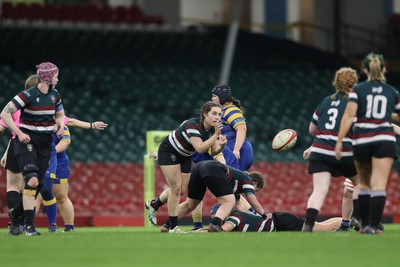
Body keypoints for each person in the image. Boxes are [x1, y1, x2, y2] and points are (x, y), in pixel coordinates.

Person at [335, 52, 400, 234]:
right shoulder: (392, 91)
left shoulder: (358, 90)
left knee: (363, 184)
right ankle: (373, 226)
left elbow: (349, 116)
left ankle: (363, 226)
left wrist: (339, 141)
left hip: (363, 139)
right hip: (384, 140)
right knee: (379, 185)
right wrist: (385, 113)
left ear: (364, 69)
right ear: (385, 69)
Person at [1, 62, 65, 236]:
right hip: (27, 142)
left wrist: (59, 124)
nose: (57, 79)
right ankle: (29, 226)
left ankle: (15, 214)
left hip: (45, 143)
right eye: (56, 76)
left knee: (38, 184)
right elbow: (4, 114)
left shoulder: (55, 95)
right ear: (48, 77)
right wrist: (19, 133)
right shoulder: (27, 95)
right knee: (32, 181)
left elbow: (60, 114)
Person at [145, 101, 226, 233]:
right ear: (205, 114)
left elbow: (214, 150)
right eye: (214, 113)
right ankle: (173, 227)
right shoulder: (193, 125)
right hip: (168, 151)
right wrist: (216, 135)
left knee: (182, 190)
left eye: (219, 114)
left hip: (185, 155)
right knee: (176, 189)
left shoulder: (211, 130)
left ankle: (154, 204)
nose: (217, 117)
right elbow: (200, 149)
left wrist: (221, 145)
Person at [302, 67, 360, 232]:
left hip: (320, 151)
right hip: (343, 150)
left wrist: (315, 145)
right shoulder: (356, 102)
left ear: (336, 82)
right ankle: (357, 219)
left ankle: (308, 225)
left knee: (319, 190)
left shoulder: (326, 101)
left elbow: (313, 129)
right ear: (354, 83)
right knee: (361, 183)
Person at [164, 160, 267, 232]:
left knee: (190, 204)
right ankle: (215, 224)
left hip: (198, 168)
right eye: (256, 190)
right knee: (228, 202)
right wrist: (264, 215)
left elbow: (239, 207)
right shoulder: (247, 180)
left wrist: (256, 218)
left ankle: (168, 225)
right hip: (212, 168)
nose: (254, 192)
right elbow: (253, 202)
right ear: (255, 182)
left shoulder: (237, 184)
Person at [1, 74, 39, 234]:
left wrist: (6, 151)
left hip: (14, 145)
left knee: (13, 186)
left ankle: (15, 223)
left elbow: (2, 127)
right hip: (33, 147)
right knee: (31, 185)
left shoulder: (15, 105)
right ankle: (23, 221)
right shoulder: (43, 105)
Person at [211, 84, 253, 171]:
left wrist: (236, 150)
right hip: (231, 151)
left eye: (214, 96)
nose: (212, 99)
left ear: (221, 97)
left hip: (239, 152)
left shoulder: (231, 110)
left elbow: (242, 128)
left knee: (234, 182)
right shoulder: (223, 111)